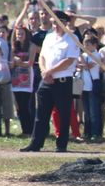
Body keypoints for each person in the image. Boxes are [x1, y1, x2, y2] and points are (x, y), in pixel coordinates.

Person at [20, 10, 80, 153]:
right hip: (46, 80)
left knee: (63, 114)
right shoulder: (49, 37)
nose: (55, 26)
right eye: (53, 23)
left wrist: (50, 72)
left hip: (63, 81)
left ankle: (61, 144)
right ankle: (36, 143)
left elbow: (69, 60)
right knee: (41, 114)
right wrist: (44, 72)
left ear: (65, 23)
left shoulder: (71, 39)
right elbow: (42, 57)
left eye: (58, 23)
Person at [11, 25, 38, 137]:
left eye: (22, 34)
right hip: (16, 78)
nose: (19, 36)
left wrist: (19, 62)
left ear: (26, 35)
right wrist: (14, 62)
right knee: (19, 106)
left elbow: (30, 63)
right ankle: (24, 130)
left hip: (27, 78)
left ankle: (30, 130)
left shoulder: (31, 46)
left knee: (26, 105)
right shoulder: (14, 47)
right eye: (18, 34)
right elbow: (11, 63)